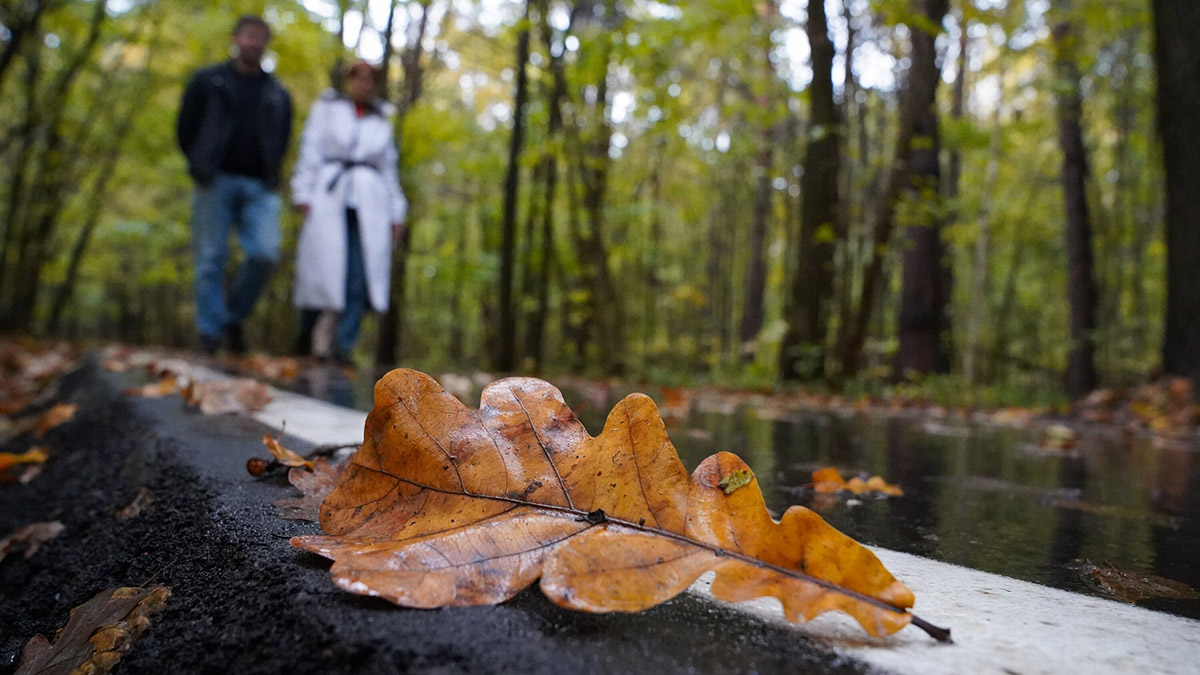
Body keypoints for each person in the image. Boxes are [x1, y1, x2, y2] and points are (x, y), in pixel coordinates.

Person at [176, 15, 293, 354]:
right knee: (211, 258)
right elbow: (186, 127)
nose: (254, 42)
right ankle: (210, 333)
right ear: (236, 38)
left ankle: (233, 318)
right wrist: (200, 164)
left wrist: (273, 173)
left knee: (265, 254)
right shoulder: (208, 81)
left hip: (260, 185)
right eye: (249, 35)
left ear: (266, 43)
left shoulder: (277, 92)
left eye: (260, 37)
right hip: (215, 180)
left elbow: (282, 137)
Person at [290, 60, 407, 365]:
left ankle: (343, 347)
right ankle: (306, 335)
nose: (364, 85)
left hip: (369, 206)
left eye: (370, 80)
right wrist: (302, 191)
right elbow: (310, 150)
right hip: (329, 198)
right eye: (358, 78)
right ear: (349, 81)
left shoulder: (382, 121)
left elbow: (389, 170)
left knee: (358, 276)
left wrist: (397, 213)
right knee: (319, 271)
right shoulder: (328, 109)